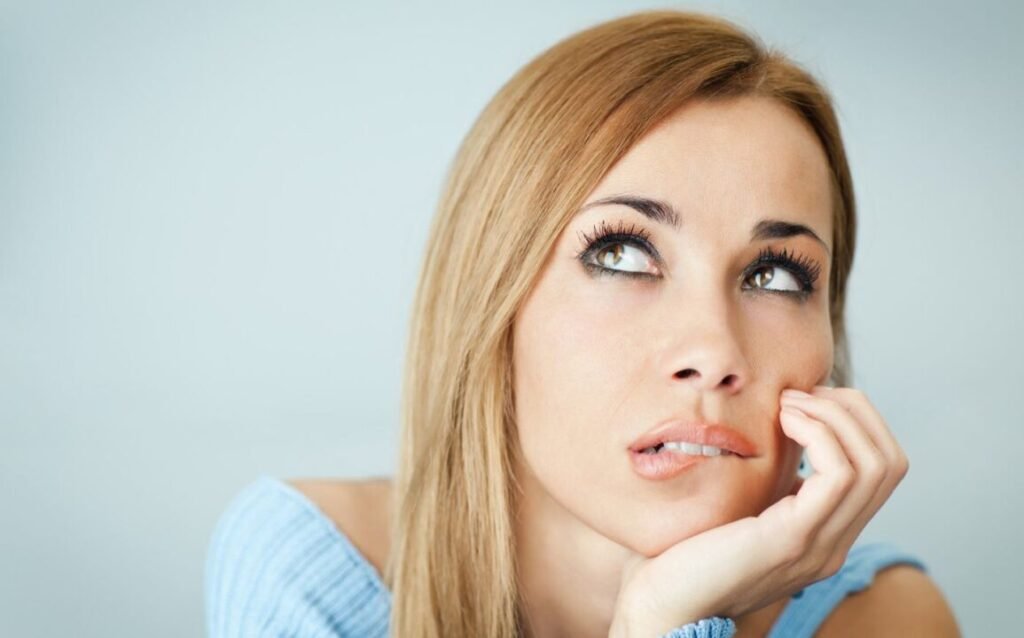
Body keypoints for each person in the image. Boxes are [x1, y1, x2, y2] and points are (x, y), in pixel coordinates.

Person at [204, 9, 961, 637]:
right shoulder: (314, 574)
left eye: (774, 274)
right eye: (625, 254)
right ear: (491, 301)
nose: (713, 350)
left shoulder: (883, 619)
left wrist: (668, 616)